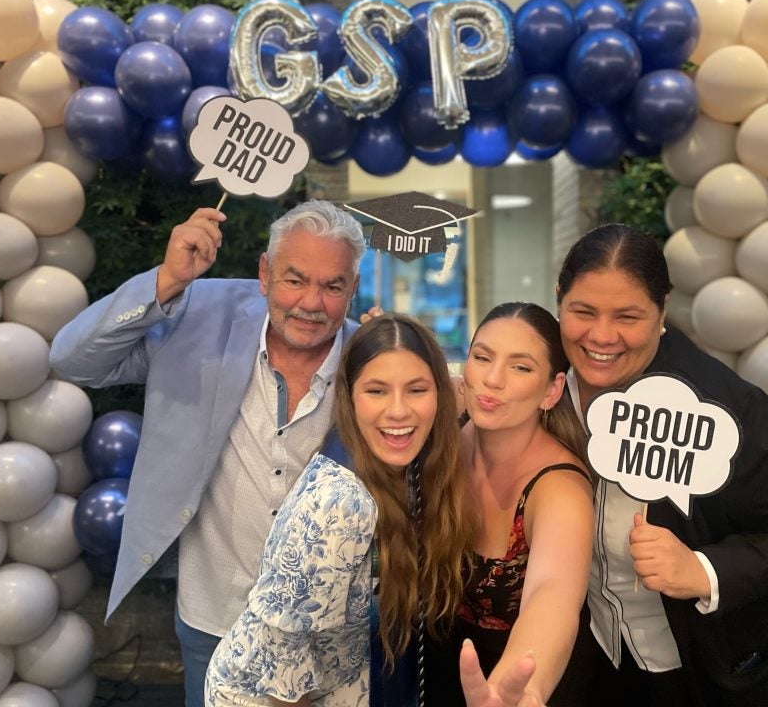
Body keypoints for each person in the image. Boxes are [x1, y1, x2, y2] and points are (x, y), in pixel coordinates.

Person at [49, 200, 367, 707]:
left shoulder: (372, 358)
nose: (312, 302)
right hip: (214, 617)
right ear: (264, 274)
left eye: (333, 286)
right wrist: (166, 280)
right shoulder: (199, 312)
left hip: (325, 633)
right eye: (295, 279)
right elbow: (73, 359)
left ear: (352, 289)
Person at [555, 223, 768, 707]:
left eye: (628, 316)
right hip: (598, 664)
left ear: (662, 311)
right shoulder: (548, 388)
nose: (601, 336)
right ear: (559, 300)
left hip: (706, 671)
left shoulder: (727, 406)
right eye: (582, 311)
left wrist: (703, 570)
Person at [205, 313, 472, 706]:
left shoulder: (398, 461)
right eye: (376, 391)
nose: (398, 411)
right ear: (349, 398)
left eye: (417, 390)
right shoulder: (342, 504)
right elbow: (282, 673)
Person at [424, 302, 596, 707]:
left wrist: (522, 685)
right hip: (437, 676)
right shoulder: (444, 438)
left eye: (520, 367)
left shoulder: (559, 488)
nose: (493, 379)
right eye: (482, 358)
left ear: (552, 390)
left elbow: (551, 595)